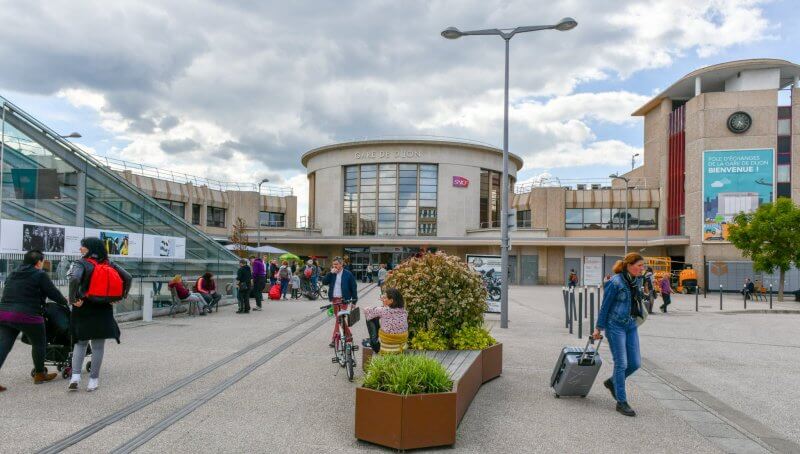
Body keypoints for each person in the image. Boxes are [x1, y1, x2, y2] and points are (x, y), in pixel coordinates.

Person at [68, 237, 132, 392]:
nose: (80, 249)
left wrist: (72, 299)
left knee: (80, 342)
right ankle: (93, 380)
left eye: (82, 246)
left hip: (83, 306)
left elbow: (75, 278)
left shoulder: (81, 263)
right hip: (103, 307)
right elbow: (128, 277)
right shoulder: (109, 263)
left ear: (89, 248)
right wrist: (120, 297)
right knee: (98, 346)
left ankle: (75, 376)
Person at [0, 250, 69, 391]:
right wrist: (64, 302)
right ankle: (39, 374)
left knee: (4, 346)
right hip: (28, 315)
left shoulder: (13, 273)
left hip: (4, 314)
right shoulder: (39, 274)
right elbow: (53, 292)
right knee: (39, 343)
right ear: (38, 262)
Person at [592, 252, 644, 417]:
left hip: (630, 325)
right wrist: (598, 328)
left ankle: (613, 382)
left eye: (643, 266)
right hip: (615, 326)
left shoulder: (636, 281)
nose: (642, 269)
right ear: (629, 265)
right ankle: (621, 402)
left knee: (635, 363)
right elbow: (605, 306)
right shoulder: (614, 282)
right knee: (621, 363)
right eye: (639, 266)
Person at [322, 257, 358, 348]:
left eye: (336, 264)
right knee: (340, 319)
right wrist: (330, 273)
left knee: (339, 318)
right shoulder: (332, 274)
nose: (335, 266)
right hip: (334, 299)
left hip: (344, 300)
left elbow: (354, 287)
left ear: (341, 264)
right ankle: (348, 335)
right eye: (333, 264)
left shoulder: (348, 274)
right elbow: (324, 282)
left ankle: (334, 339)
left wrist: (354, 300)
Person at [361, 288, 408, 354]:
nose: (383, 299)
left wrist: (383, 306)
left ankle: (373, 341)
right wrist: (385, 304)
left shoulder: (383, 310)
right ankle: (375, 340)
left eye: (385, 297)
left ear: (391, 300)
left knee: (370, 317)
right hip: (401, 347)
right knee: (376, 315)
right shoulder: (404, 311)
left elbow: (365, 310)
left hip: (386, 349)